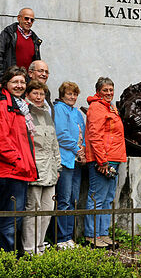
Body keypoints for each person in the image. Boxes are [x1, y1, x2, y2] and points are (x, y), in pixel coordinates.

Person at [0, 66, 37, 252]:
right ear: (5, 84)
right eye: (15, 81)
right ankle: (5, 261)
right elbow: (0, 140)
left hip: (17, 171)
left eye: (22, 82)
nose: (19, 85)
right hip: (7, 171)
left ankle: (8, 256)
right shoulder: (1, 106)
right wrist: (19, 161)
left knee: (13, 219)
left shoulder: (20, 107)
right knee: (9, 220)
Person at [84, 77, 127, 249]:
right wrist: (102, 161)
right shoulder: (96, 108)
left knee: (107, 198)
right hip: (103, 160)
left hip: (113, 159)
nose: (109, 93)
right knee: (97, 198)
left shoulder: (109, 108)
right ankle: (91, 236)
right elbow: (94, 136)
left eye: (111, 90)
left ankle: (102, 233)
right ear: (98, 92)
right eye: (105, 90)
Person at [21, 80, 60, 254]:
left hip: (50, 170)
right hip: (35, 169)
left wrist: (57, 167)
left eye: (42, 94)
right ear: (28, 94)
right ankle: (29, 249)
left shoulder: (47, 113)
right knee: (32, 212)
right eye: (35, 93)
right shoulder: (25, 112)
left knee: (47, 211)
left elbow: (54, 143)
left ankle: (40, 246)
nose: (39, 97)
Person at [53, 81, 86, 249]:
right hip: (65, 160)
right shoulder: (59, 109)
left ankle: (69, 237)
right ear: (62, 95)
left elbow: (84, 134)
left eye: (75, 94)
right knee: (64, 200)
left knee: (73, 199)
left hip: (76, 162)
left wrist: (83, 150)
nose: (72, 97)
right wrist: (77, 149)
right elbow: (61, 134)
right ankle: (61, 238)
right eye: (69, 94)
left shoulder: (77, 112)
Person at [0, 8, 43, 76]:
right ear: (19, 18)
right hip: (10, 78)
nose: (29, 21)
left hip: (27, 81)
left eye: (32, 20)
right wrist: (0, 77)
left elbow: (36, 62)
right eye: (26, 18)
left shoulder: (35, 39)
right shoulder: (8, 33)